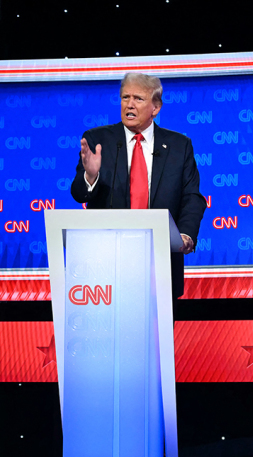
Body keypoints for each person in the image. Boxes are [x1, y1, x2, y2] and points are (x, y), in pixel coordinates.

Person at [71, 72, 206, 305]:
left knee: (157, 340)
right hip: (106, 264)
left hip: (161, 262)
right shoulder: (97, 139)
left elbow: (192, 197)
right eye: (125, 97)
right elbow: (78, 193)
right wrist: (90, 175)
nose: (129, 105)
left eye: (138, 99)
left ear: (156, 107)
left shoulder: (179, 145)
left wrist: (185, 234)